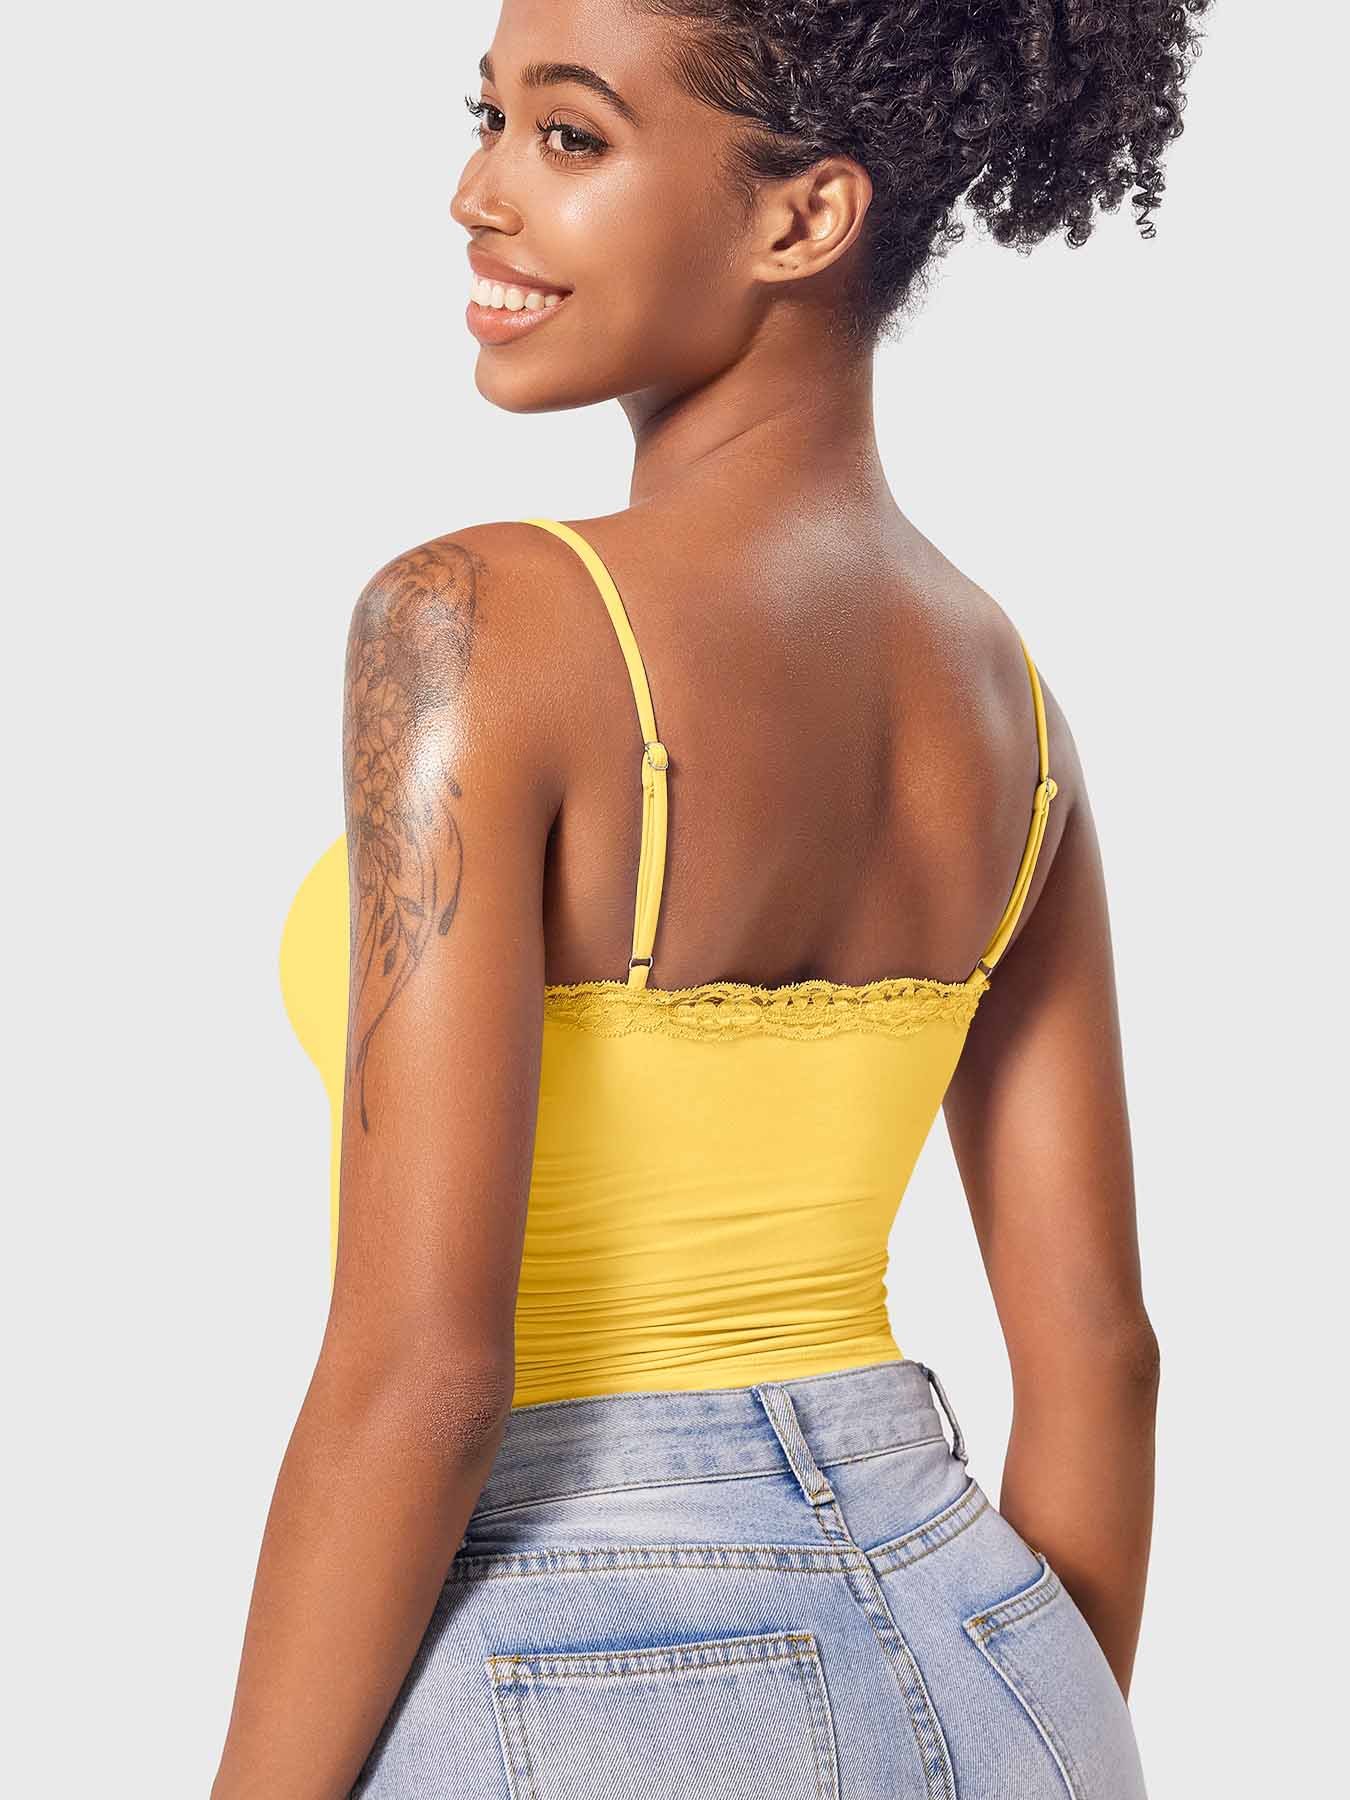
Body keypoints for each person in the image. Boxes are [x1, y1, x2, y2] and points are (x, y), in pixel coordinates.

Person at [215, 1, 1209, 1793]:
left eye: (569, 136)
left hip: (588, 1648)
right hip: (1001, 1643)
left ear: (801, 218)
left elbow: (423, 1378)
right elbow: (1098, 1358)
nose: (477, 193)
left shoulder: (475, 623)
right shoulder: (1007, 702)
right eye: (487, 117)